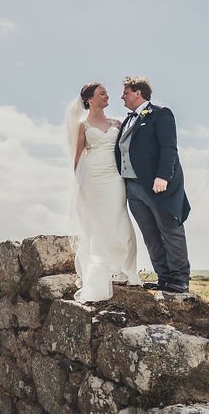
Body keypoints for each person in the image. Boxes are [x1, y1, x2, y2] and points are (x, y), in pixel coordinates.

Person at [65, 82, 142, 302]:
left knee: (119, 217)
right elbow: (78, 157)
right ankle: (104, 268)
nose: (107, 96)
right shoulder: (82, 125)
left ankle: (125, 268)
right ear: (89, 99)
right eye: (102, 93)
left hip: (114, 176)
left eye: (107, 93)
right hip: (92, 177)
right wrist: (80, 185)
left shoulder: (117, 123)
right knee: (98, 223)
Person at [115, 76, 191, 293]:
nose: (122, 97)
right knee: (149, 234)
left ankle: (180, 278)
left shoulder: (160, 114)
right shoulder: (128, 120)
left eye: (126, 92)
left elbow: (169, 148)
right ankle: (164, 277)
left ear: (138, 92)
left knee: (170, 229)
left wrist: (163, 177)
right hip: (132, 187)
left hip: (157, 185)